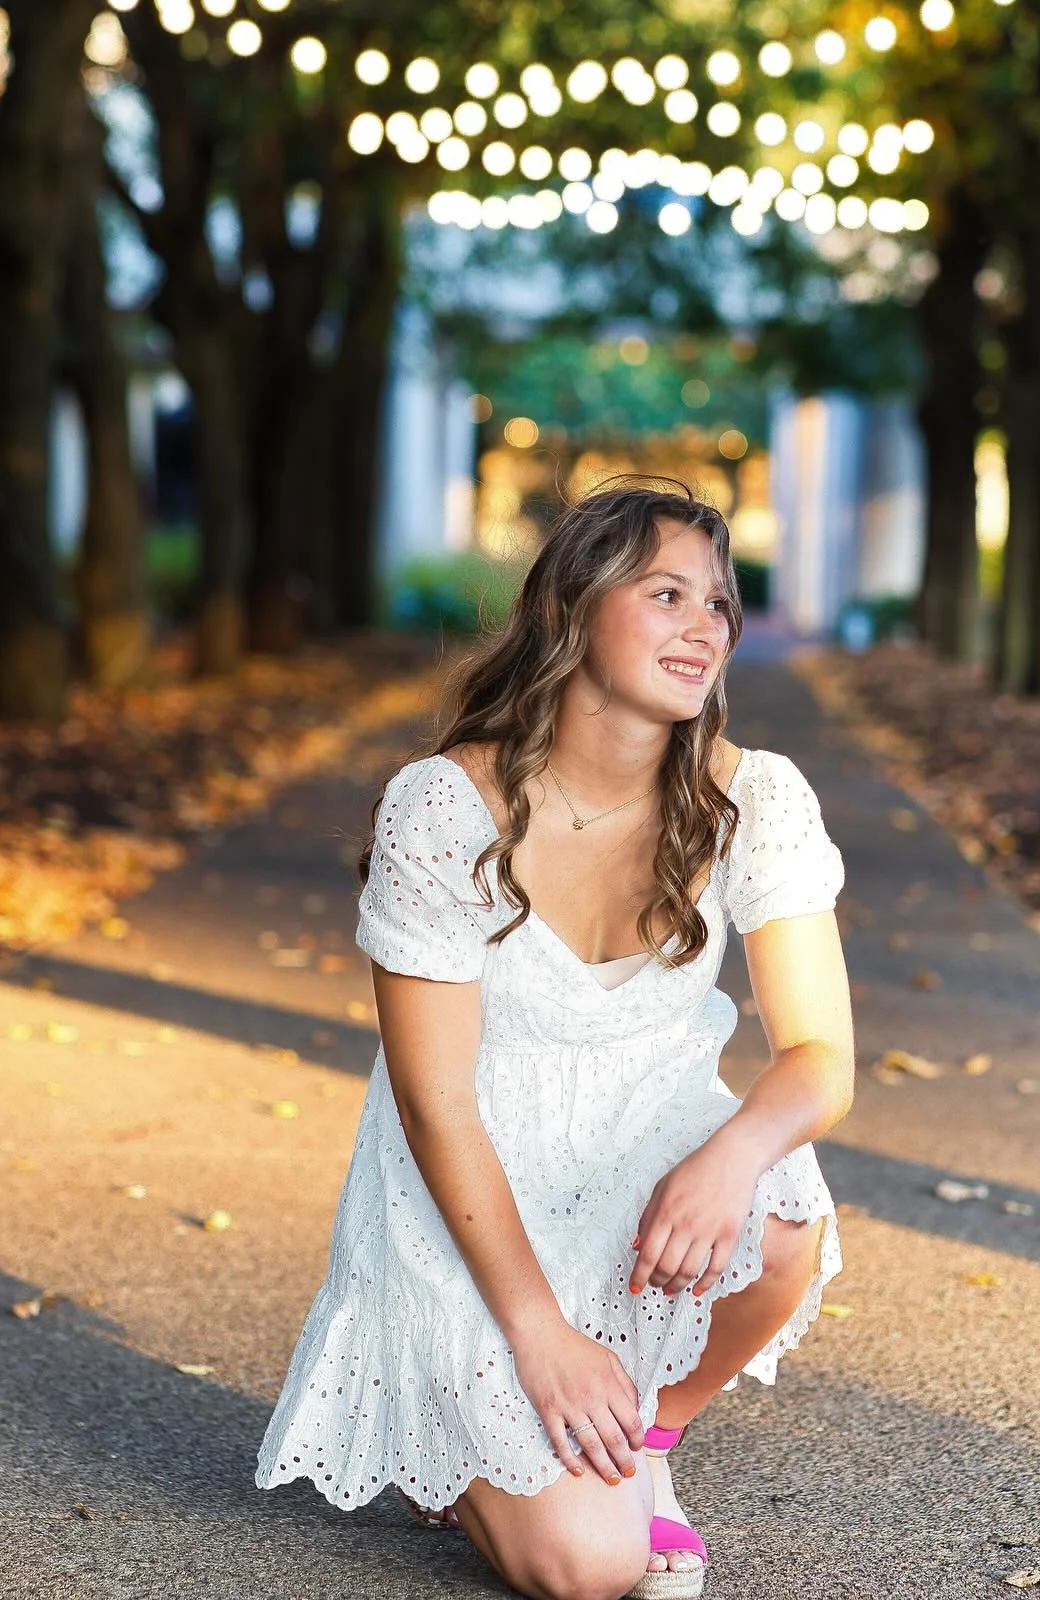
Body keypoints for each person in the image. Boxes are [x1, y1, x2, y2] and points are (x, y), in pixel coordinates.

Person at [256, 480, 854, 1600]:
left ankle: (646, 1438)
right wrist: (534, 1330)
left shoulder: (757, 798)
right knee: (589, 1572)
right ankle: (476, 1445)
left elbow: (822, 1061)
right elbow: (436, 1106)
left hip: (642, 1147)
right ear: (572, 614)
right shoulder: (444, 808)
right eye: (666, 593)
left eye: (720, 605)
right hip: (472, 1199)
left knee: (784, 1216)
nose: (704, 627)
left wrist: (730, 1160)